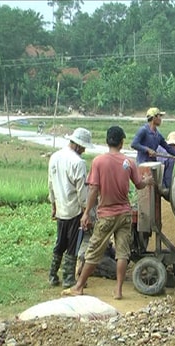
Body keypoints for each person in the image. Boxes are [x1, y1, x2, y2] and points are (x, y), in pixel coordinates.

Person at [62, 126, 153, 299]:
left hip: (106, 215)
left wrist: (87, 212)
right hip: (125, 214)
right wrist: (148, 180)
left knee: (94, 250)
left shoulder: (98, 161)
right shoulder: (129, 162)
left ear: (107, 141)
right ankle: (118, 290)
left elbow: (94, 189)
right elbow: (139, 184)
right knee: (122, 252)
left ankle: (79, 286)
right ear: (121, 142)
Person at [48, 127, 94, 288]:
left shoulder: (55, 157)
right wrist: (85, 211)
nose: (84, 150)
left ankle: (52, 275)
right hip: (74, 209)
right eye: (83, 147)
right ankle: (68, 278)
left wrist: (53, 205)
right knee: (73, 243)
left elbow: (50, 184)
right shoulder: (78, 162)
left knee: (60, 242)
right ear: (78, 145)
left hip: (61, 207)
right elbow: (82, 190)